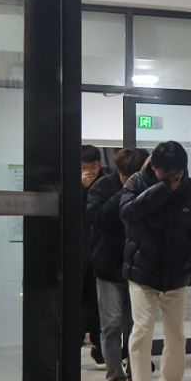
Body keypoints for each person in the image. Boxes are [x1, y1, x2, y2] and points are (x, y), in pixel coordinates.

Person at [119, 141, 191, 381]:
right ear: (154, 167)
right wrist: (161, 190)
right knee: (142, 330)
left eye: (178, 174)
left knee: (176, 335)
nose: (174, 179)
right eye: (167, 174)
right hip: (141, 270)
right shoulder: (136, 183)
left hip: (177, 272)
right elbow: (127, 214)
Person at [86, 147, 139, 381]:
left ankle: (136, 372)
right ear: (118, 170)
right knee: (111, 325)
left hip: (138, 266)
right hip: (107, 266)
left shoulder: (148, 187)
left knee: (138, 325)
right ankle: (114, 378)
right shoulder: (102, 187)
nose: (130, 179)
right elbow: (96, 218)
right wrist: (123, 193)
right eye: (126, 175)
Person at [78, 146, 106, 367]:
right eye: (85, 167)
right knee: (77, 300)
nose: (90, 171)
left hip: (100, 252)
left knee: (98, 303)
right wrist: (82, 188)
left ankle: (99, 347)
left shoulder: (107, 184)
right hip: (78, 253)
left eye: (93, 167)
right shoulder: (70, 182)